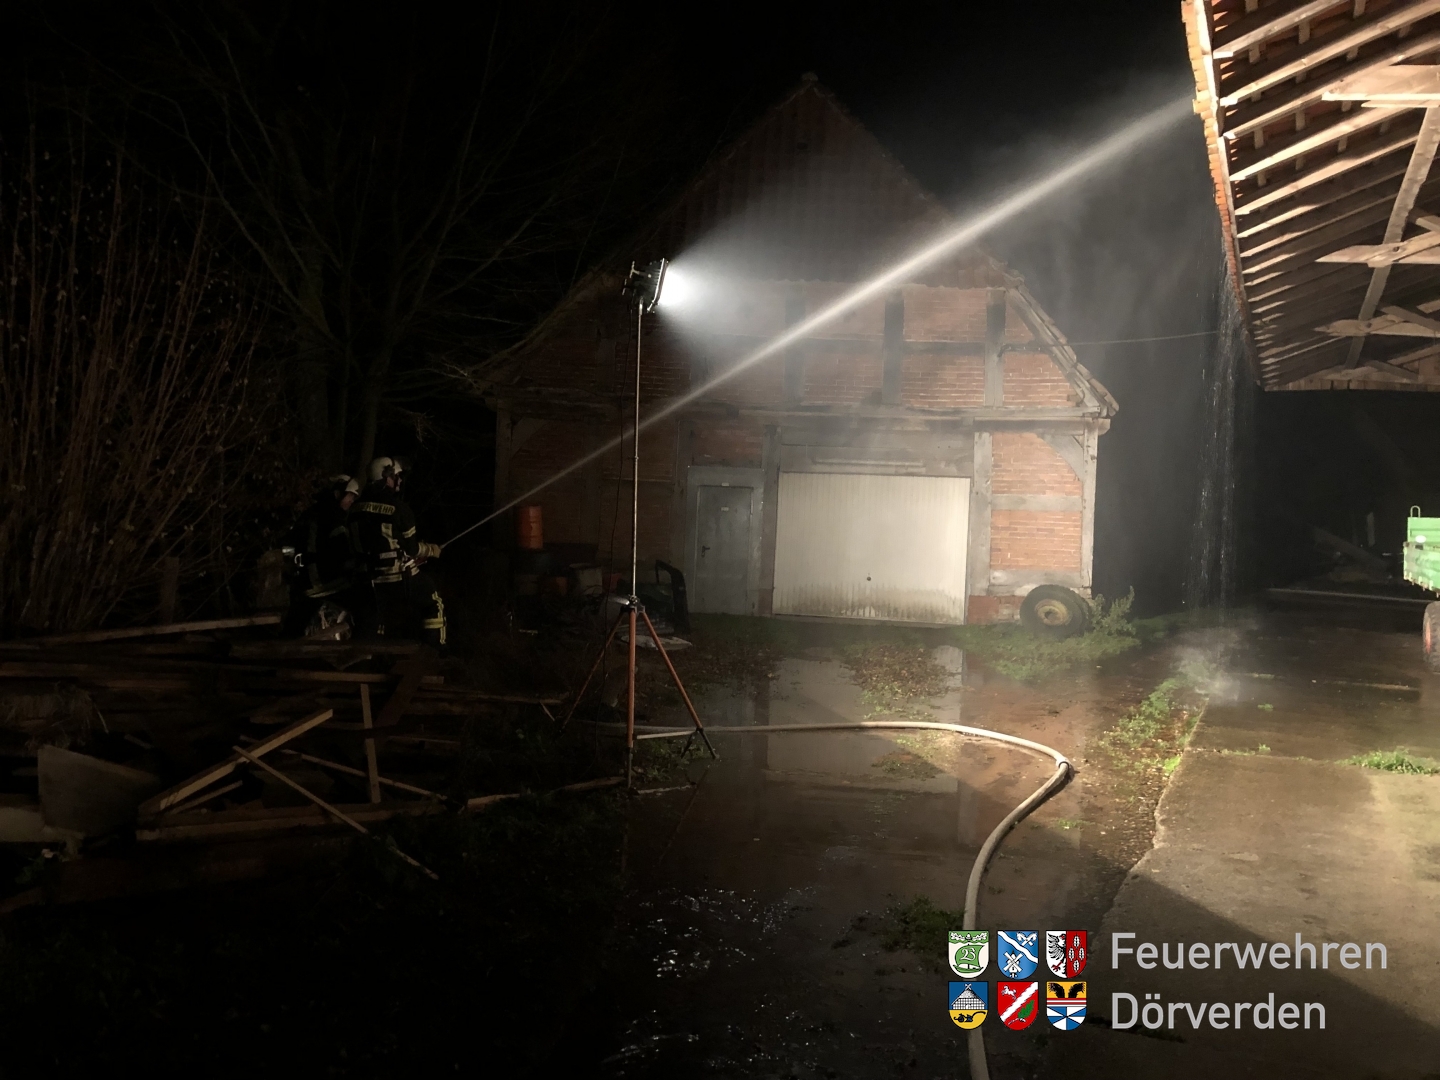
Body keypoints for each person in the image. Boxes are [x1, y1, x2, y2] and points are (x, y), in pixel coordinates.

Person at [349, 456, 447, 647]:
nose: (399, 480)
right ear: (386, 477)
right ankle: (434, 650)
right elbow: (412, 549)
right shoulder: (399, 509)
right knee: (432, 600)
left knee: (375, 617)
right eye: (396, 476)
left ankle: (370, 655)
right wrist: (430, 550)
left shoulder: (355, 509)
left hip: (365, 580)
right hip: (396, 579)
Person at [285, 475, 362, 636]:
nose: (352, 501)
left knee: (293, 630)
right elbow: (343, 551)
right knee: (366, 608)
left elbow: (289, 545)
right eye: (350, 496)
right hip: (326, 583)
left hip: (303, 584)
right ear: (338, 494)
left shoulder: (309, 513)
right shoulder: (334, 518)